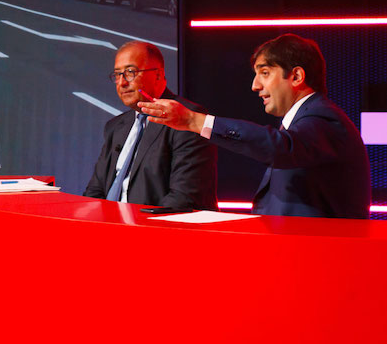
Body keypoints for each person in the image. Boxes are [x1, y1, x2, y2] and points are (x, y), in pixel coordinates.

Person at [138, 33, 371, 219]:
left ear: (297, 76)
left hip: (321, 261)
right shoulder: (302, 122)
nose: (255, 85)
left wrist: (194, 120)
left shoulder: (325, 118)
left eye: (265, 73)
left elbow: (282, 148)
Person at [84, 41, 217, 210]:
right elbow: (95, 190)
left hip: (157, 230)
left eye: (130, 72)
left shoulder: (187, 119)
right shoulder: (116, 126)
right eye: (117, 74)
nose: (122, 83)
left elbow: (184, 198)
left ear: (158, 75)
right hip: (111, 227)